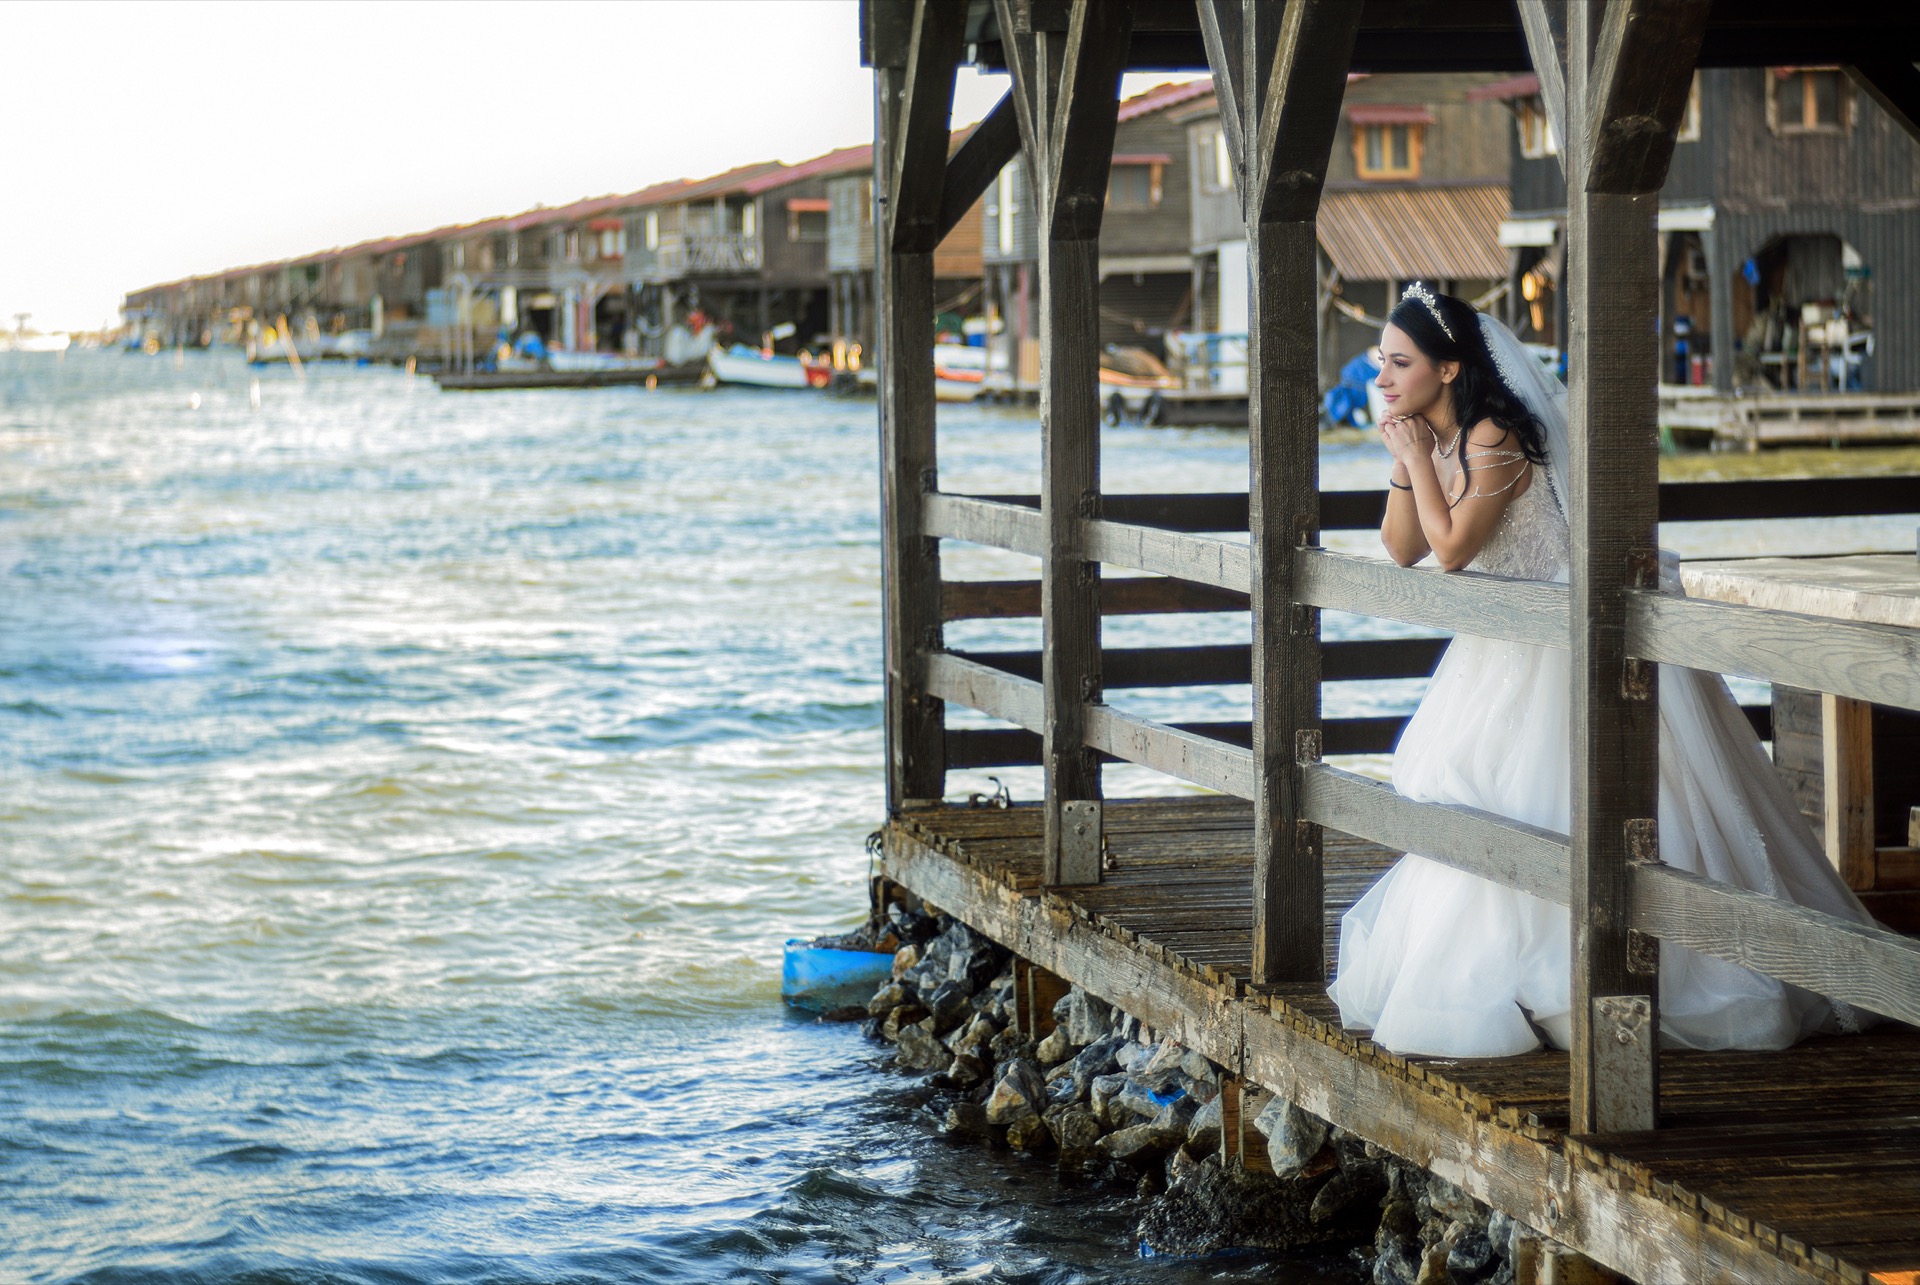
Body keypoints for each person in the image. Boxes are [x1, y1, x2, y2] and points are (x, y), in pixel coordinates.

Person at [1326, 282, 1874, 1058]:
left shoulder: (1493, 437)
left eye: (1399, 362)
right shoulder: (1440, 440)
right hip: (1502, 646)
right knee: (1478, 797)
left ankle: (1641, 965)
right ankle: (1506, 970)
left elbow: (1450, 552)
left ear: (1448, 369)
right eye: (1381, 361)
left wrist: (1415, 454)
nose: (1382, 377)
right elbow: (1401, 546)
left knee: (1576, 798)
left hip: (1559, 635)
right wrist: (1404, 460)